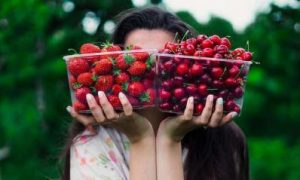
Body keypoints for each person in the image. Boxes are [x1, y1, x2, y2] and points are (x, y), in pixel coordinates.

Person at [61, 6, 249, 180]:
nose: (152, 69)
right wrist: (140, 137)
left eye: (165, 59)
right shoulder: (93, 142)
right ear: (116, 66)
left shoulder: (224, 140)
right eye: (138, 58)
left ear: (191, 68)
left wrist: (170, 137)